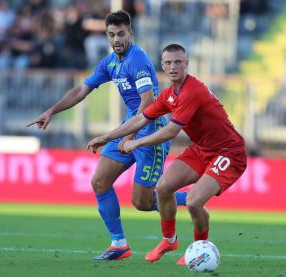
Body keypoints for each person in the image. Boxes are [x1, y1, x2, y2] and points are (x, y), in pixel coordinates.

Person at [27, 11, 187, 261]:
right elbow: (82, 89)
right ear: (107, 36)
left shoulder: (138, 60)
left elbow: (148, 104)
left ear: (130, 33)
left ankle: (189, 198)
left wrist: (129, 137)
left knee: (142, 203)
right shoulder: (110, 63)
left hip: (151, 134)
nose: (116, 40)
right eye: (111, 35)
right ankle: (119, 244)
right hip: (128, 129)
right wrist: (52, 111)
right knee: (99, 182)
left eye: (121, 34)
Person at [87, 43, 247, 265]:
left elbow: (171, 131)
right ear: (162, 66)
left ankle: (199, 248)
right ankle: (169, 240)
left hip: (228, 152)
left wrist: (136, 142)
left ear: (187, 64)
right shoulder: (169, 95)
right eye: (169, 63)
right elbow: (142, 118)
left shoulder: (192, 91)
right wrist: (107, 137)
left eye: (178, 62)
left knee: (193, 201)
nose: (173, 67)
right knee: (162, 188)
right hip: (201, 148)